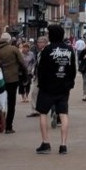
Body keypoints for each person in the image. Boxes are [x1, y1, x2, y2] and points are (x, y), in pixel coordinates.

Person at [35, 24, 77, 155]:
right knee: (63, 114)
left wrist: (41, 84)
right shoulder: (69, 49)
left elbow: (41, 69)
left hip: (47, 87)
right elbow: (72, 69)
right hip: (63, 86)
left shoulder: (47, 50)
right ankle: (63, 145)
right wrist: (70, 83)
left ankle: (45, 142)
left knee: (43, 113)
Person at [0, 33, 27, 134]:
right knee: (11, 103)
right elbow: (22, 63)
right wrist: (25, 76)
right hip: (12, 78)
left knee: (0, 102)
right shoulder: (13, 49)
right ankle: (8, 126)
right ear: (9, 40)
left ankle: (0, 123)